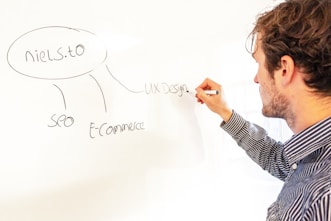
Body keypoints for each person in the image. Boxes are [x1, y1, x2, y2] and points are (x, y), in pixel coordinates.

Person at [195, 0, 331, 220]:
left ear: (284, 69)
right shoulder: (316, 153)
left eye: (259, 63)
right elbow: (278, 160)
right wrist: (226, 112)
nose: (256, 78)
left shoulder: (323, 200)